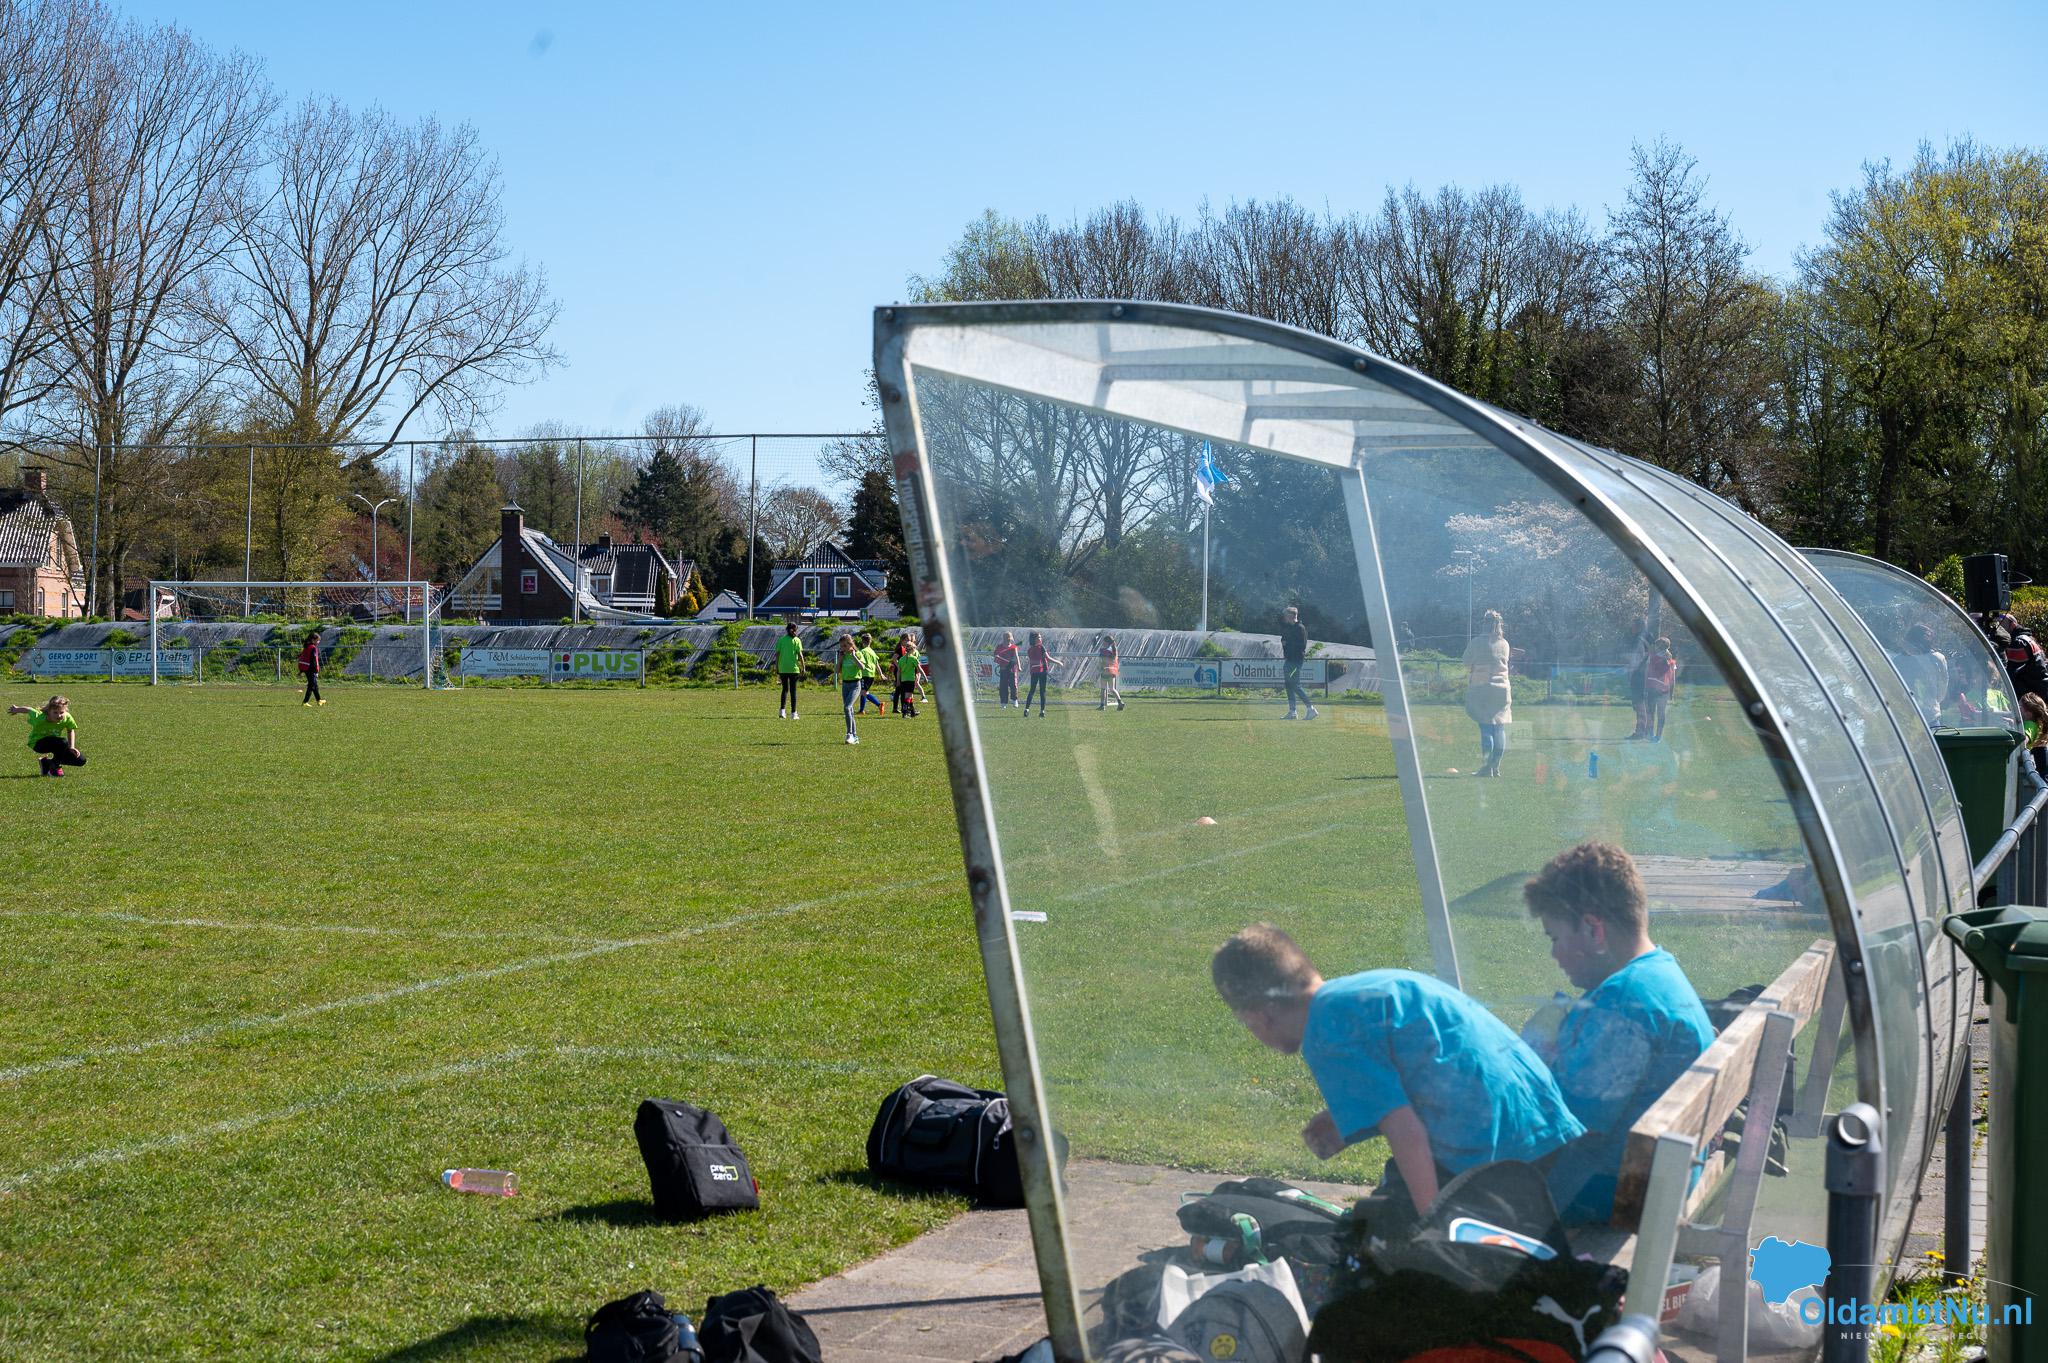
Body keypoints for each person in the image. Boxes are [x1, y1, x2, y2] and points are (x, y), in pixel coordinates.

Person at [1212, 924, 1584, 1216]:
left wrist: (1432, 1224)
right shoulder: (1366, 989)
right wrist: (1349, 1119)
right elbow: (1431, 1077)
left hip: (1503, 1158)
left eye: (1246, 1023)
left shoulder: (1325, 1032)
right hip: (1548, 1133)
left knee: (1378, 1234)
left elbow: (1406, 1132)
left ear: (1260, 1014)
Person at [1517, 842, 1714, 1224]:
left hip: (1615, 1193)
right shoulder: (1657, 974)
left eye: (1555, 938)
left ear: (1594, 930)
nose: (1554, 954)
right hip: (1659, 1179)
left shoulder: (1622, 1003)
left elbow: (1567, 1130)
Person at [1462, 609, 1511, 777]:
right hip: (1502, 689)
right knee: (1499, 728)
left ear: (1484, 623)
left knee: (1486, 728)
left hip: (1482, 688)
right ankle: (1496, 767)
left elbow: (1466, 662)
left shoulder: (1476, 642)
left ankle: (1486, 768)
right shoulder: (1505, 644)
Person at [11, 694, 85, 777]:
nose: (59, 715)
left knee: (80, 760)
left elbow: (70, 730)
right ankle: (54, 769)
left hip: (56, 744)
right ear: (49, 711)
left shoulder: (67, 717)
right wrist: (16, 709)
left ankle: (46, 763)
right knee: (63, 742)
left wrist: (71, 747)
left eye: (61, 712)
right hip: (38, 744)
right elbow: (29, 710)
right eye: (55, 712)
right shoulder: (40, 717)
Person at [1894, 622, 1949, 727]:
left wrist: (1931, 702)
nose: (1908, 649)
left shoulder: (1937, 659)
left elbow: (1941, 689)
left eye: (1911, 646)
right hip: (1906, 719)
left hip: (1930, 718)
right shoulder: (1898, 661)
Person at [1280, 604, 1318, 720]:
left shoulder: (1300, 628)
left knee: (1295, 684)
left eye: (1286, 615)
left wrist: (1288, 644)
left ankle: (1311, 709)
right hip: (1289, 660)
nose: (1284, 618)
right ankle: (1292, 712)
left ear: (1291, 616)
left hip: (1296, 661)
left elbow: (1302, 646)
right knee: (1289, 685)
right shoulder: (1288, 628)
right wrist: (1284, 643)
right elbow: (1284, 640)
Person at [1622, 616, 1653, 740]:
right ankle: (1644, 731)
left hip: (1640, 675)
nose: (1631, 627)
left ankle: (1640, 731)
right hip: (1641, 674)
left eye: (1633, 625)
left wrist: (1631, 667)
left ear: (1639, 626)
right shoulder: (1646, 637)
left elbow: (1642, 656)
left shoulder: (1640, 639)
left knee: (1640, 704)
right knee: (1641, 704)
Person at [1642, 637, 1677, 742]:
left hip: (1652, 688)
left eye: (1656, 645)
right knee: (1661, 714)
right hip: (1664, 690)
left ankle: (1650, 734)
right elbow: (1672, 678)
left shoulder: (1652, 658)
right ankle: (1658, 737)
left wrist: (1645, 688)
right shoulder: (1671, 661)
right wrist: (1671, 693)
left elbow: (1647, 674)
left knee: (1651, 712)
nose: (1655, 647)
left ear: (1659, 646)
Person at [1025, 631, 1060, 717]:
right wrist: (1058, 662)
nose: (1041, 638)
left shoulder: (1030, 650)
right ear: (1035, 639)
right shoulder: (1041, 647)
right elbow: (1048, 658)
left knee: (1032, 690)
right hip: (1042, 671)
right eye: (1039, 637)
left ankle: (1026, 709)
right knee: (1042, 691)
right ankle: (1042, 711)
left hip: (1033, 671)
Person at [837, 634, 864, 745]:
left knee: (847, 707)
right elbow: (837, 671)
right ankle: (855, 736)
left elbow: (862, 667)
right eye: (841, 646)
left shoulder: (858, 654)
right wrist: (840, 659)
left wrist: (854, 656)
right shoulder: (843, 656)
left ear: (850, 644)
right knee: (850, 710)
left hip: (855, 685)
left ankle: (849, 734)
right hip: (845, 685)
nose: (842, 648)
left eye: (844, 646)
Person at [775, 621, 804, 719]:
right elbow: (800, 655)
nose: (795, 632)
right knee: (793, 691)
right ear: (791, 630)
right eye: (794, 630)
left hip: (783, 668)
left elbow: (777, 655)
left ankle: (782, 711)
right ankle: (793, 713)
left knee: (785, 689)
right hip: (793, 669)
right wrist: (803, 667)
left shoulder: (781, 640)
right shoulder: (797, 640)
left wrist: (777, 667)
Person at [856, 631, 887, 714]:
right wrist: (881, 674)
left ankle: (878, 705)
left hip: (865, 674)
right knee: (864, 692)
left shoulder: (862, 651)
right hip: (871, 675)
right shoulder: (872, 652)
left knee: (863, 692)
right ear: (870, 641)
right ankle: (862, 710)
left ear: (862, 641)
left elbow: (859, 662)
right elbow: (877, 664)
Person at [893, 636, 921, 717]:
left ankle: (912, 712)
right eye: (907, 639)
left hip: (903, 677)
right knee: (906, 695)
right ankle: (904, 711)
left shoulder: (903, 658)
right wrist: (899, 667)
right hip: (908, 677)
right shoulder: (901, 650)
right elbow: (894, 659)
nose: (909, 641)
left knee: (908, 695)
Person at [1096, 632, 1125, 711]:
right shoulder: (1114, 649)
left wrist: (1099, 667)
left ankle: (1102, 705)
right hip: (1113, 671)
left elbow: (1101, 660)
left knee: (1103, 689)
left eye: (1104, 642)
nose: (1103, 643)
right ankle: (1120, 702)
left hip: (1105, 670)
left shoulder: (1104, 650)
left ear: (1106, 642)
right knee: (1112, 689)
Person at [993, 632, 1021, 709]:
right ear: (1004, 639)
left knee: (1013, 685)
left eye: (1009, 639)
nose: (1008, 640)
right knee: (1003, 686)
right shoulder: (999, 647)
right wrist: (997, 656)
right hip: (1003, 668)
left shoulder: (1014, 647)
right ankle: (1003, 702)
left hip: (1012, 668)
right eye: (1007, 639)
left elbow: (1016, 657)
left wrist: (1019, 666)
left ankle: (1014, 700)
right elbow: (995, 655)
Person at [298, 630, 325, 706]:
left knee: (314, 685)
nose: (318, 642)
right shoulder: (313, 648)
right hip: (311, 669)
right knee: (311, 686)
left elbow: (303, 658)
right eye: (318, 640)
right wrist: (316, 671)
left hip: (306, 668)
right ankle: (305, 702)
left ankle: (319, 700)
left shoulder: (307, 647)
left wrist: (301, 670)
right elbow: (313, 660)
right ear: (313, 640)